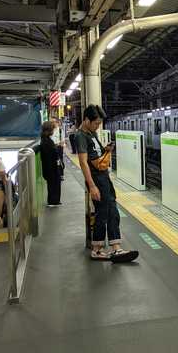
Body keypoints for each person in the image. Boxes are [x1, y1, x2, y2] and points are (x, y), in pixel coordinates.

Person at [76, 105, 138, 263]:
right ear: (87, 120)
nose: (98, 126)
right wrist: (92, 186)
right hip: (96, 180)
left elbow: (95, 154)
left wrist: (105, 149)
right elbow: (83, 163)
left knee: (113, 212)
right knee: (102, 214)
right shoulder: (81, 136)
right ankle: (96, 250)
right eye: (96, 123)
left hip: (104, 178)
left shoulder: (92, 133)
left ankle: (116, 248)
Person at [40, 121, 62, 207]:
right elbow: (49, 157)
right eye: (52, 129)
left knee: (54, 184)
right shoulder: (46, 142)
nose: (53, 131)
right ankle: (53, 201)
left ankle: (55, 200)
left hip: (51, 167)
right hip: (51, 168)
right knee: (53, 184)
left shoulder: (46, 140)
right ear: (49, 130)